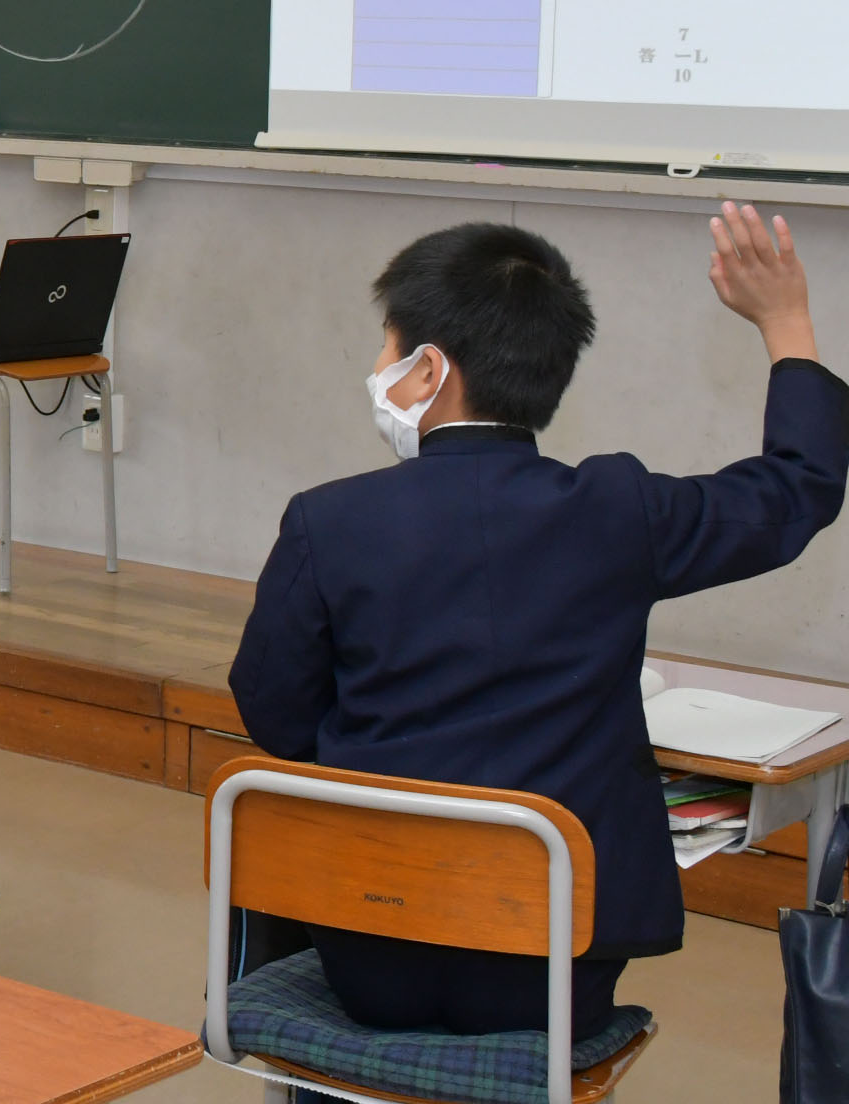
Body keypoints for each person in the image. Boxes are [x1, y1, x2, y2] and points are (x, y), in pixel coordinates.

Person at [230, 207, 846, 1039]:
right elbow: (796, 490)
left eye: (386, 346)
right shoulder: (619, 511)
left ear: (427, 368)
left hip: (370, 950)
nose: (376, 368)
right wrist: (785, 320)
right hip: (558, 972)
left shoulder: (328, 521)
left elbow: (274, 714)